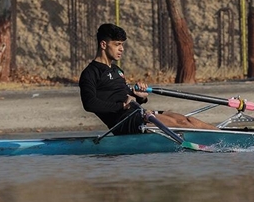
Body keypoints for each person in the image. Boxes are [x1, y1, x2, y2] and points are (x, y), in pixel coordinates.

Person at [79, 23, 218, 135]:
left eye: (122, 44)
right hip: (124, 122)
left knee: (187, 120)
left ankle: (225, 134)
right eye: (117, 44)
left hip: (138, 113)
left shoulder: (117, 70)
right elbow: (89, 104)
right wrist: (122, 106)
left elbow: (126, 93)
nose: (121, 49)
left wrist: (140, 96)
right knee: (182, 125)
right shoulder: (90, 73)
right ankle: (221, 140)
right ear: (103, 45)